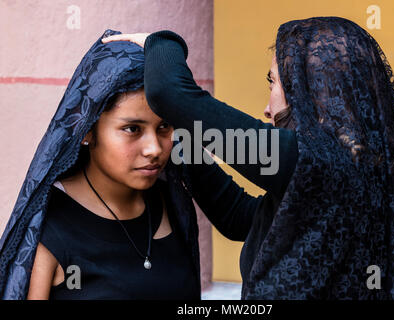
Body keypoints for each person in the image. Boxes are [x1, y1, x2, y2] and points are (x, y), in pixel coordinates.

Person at [102, 16, 394, 299]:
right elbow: (242, 218)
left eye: (273, 83)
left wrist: (161, 41)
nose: (267, 107)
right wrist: (180, 143)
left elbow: (169, 93)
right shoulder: (355, 166)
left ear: (311, 91)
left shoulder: (314, 161)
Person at [0, 29, 255, 300]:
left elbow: (242, 215)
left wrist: (167, 57)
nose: (154, 149)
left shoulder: (171, 199)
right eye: (132, 128)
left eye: (165, 126)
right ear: (86, 128)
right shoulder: (48, 231)